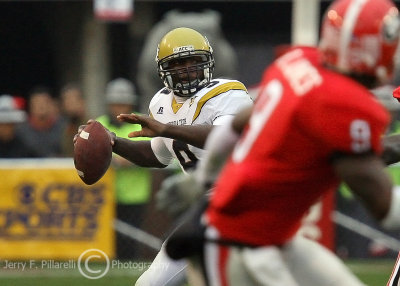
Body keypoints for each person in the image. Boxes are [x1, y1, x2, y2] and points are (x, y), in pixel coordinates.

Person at [156, 1, 400, 285]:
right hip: (242, 244)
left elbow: (237, 125)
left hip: (273, 235)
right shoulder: (346, 106)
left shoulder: (297, 61)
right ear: (373, 49)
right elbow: (383, 206)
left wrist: (201, 179)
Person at [74, 27, 253, 285]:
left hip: (246, 198)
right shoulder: (161, 104)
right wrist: (114, 141)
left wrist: (166, 128)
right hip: (207, 205)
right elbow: (157, 155)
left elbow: (225, 137)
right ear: (163, 70)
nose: (187, 69)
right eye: (179, 63)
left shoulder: (228, 93)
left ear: (208, 63)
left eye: (194, 61)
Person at [136, 9, 239, 113]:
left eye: (195, 61)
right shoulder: (154, 57)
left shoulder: (224, 58)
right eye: (178, 62)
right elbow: (148, 87)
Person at [96, 77, 152, 260]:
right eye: (115, 104)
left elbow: (150, 152)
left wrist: (128, 159)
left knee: (132, 237)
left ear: (130, 104)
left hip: (135, 193)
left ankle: (128, 266)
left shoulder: (141, 123)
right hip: (105, 193)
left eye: (123, 104)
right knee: (106, 235)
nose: (119, 108)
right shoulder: (98, 124)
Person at [17, 86, 65, 157]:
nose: (41, 105)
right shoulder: (21, 131)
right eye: (37, 102)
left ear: (51, 104)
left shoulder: (63, 127)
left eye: (45, 102)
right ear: (31, 106)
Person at [59, 83, 87, 157]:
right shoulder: (62, 127)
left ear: (82, 102)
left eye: (72, 100)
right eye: (66, 100)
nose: (68, 104)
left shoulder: (92, 126)